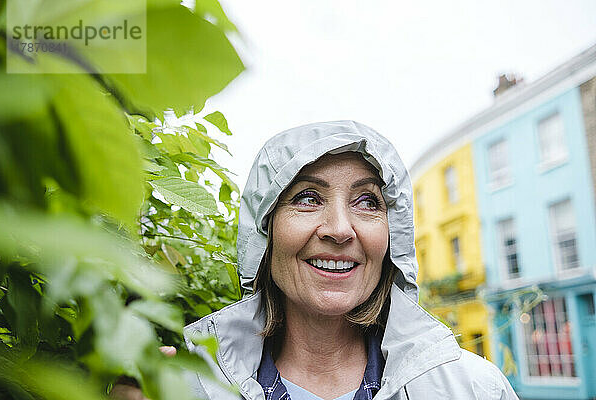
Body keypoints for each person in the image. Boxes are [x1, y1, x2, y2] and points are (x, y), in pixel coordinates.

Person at [183, 120, 519, 400]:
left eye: (368, 202)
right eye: (307, 198)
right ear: (264, 233)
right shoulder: (186, 387)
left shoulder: (474, 389)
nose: (341, 230)